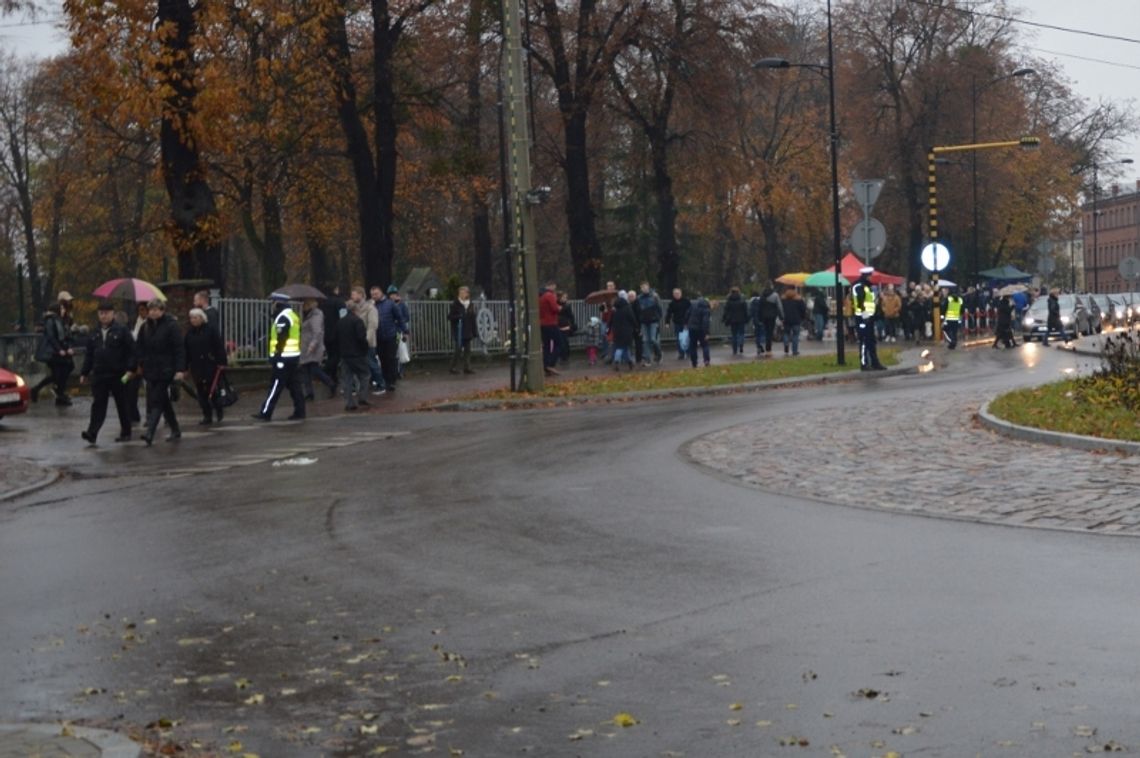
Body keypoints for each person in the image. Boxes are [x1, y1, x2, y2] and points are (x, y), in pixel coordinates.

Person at [79, 301, 136, 444]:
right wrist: (84, 372)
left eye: (106, 313)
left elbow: (132, 352)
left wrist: (131, 369)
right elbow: (89, 355)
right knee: (98, 404)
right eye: (101, 313)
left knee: (122, 404)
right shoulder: (94, 333)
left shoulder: (122, 331)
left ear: (112, 314)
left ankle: (126, 431)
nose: (104, 316)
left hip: (118, 374)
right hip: (99, 374)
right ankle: (92, 433)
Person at [136, 299, 186, 445]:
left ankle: (149, 433)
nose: (153, 312)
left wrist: (179, 369)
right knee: (163, 401)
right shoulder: (145, 327)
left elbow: (179, 349)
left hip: (166, 369)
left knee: (156, 400)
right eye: (151, 310)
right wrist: (140, 362)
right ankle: (175, 428)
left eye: (156, 310)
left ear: (162, 311)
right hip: (150, 369)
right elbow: (139, 347)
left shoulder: (171, 326)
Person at [252, 293, 305, 421]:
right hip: (293, 356)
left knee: (275, 385)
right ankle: (300, 411)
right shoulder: (293, 315)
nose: (272, 305)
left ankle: (266, 412)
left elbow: (282, 337)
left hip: (283, 357)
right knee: (294, 386)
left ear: (278, 303)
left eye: (273, 302)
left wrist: (277, 354)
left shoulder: (282, 317)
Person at [184, 307, 228, 425]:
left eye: (196, 318)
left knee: (212, 390)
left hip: (210, 364)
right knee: (200, 392)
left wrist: (222, 362)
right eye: (191, 318)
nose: (193, 320)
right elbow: (186, 350)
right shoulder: (189, 333)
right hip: (196, 366)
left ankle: (218, 409)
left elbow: (218, 347)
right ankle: (206, 415)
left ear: (202, 318)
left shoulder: (211, 330)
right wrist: (184, 367)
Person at [31, 303, 75, 405]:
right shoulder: (51, 320)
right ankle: (59, 395)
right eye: (62, 308)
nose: (63, 310)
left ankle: (57, 393)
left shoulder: (60, 320)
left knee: (61, 372)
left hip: (59, 351)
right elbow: (52, 337)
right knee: (59, 374)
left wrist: (67, 347)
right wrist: (60, 349)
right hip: (53, 353)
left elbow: (65, 336)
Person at [337, 299, 373, 411]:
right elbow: (361, 338)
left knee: (347, 378)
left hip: (344, 355)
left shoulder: (340, 322)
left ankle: (349, 402)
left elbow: (336, 338)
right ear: (356, 309)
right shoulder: (357, 321)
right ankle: (362, 397)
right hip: (357, 354)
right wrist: (365, 349)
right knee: (365, 374)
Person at [300, 298, 337, 399]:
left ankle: (330, 383)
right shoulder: (307, 316)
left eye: (305, 303)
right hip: (306, 345)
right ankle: (309, 393)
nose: (303, 305)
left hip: (313, 346)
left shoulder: (316, 316)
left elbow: (317, 332)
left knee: (314, 368)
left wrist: (312, 345)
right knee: (305, 369)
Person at [852, 266, 885, 370]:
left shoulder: (867, 286)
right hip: (862, 318)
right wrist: (865, 315)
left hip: (869, 317)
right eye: (871, 276)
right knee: (864, 341)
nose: (872, 278)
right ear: (867, 276)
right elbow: (860, 303)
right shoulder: (860, 286)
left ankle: (875, 362)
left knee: (871, 341)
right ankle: (864, 363)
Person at [448, 285, 477, 374]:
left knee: (468, 350)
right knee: (458, 349)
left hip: (467, 330)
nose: (464, 294)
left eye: (465, 292)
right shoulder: (455, 304)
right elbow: (450, 317)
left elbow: (472, 318)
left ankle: (467, 367)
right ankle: (452, 367)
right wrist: (458, 317)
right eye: (462, 292)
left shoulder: (470, 304)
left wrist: (474, 331)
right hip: (459, 331)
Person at [320, 285, 345, 386]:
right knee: (336, 356)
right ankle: (324, 372)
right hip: (337, 333)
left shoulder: (323, 303)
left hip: (326, 333)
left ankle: (333, 377)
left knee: (330, 354)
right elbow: (343, 316)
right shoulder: (339, 302)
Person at [608, 293, 638, 370]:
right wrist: (636, 327)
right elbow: (632, 319)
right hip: (627, 331)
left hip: (617, 331)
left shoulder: (615, 310)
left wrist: (609, 329)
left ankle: (628, 362)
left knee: (620, 347)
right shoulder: (628, 308)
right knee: (624, 348)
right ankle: (618, 360)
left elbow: (610, 321)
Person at [636, 281, 663, 365]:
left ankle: (659, 354)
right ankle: (648, 360)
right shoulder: (639, 298)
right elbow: (638, 310)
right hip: (643, 321)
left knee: (653, 339)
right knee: (645, 340)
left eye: (645, 287)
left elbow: (659, 308)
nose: (644, 289)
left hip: (653, 321)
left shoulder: (654, 296)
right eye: (642, 287)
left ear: (648, 287)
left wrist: (658, 318)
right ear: (641, 288)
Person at [753, 284, 782, 356]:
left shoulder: (762, 295)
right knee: (770, 332)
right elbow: (779, 306)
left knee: (766, 331)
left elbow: (760, 307)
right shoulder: (775, 295)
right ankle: (768, 349)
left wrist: (759, 317)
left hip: (764, 316)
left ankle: (767, 347)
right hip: (772, 316)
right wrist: (781, 316)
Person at [539, 280, 560, 376]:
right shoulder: (549, 295)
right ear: (551, 286)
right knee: (558, 343)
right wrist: (559, 308)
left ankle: (546, 365)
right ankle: (551, 364)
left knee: (546, 345)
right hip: (551, 323)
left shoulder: (540, 296)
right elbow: (555, 308)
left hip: (542, 324)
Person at [721, 286, 749, 356]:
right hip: (741, 319)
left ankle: (734, 350)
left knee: (734, 335)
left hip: (733, 320)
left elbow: (726, 310)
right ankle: (741, 345)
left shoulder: (729, 300)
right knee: (741, 333)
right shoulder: (742, 300)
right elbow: (745, 310)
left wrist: (724, 318)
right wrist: (747, 318)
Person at [686, 292, 712, 368]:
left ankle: (694, 362)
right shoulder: (706, 309)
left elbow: (687, 314)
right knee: (705, 345)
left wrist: (687, 324)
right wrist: (707, 332)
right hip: (701, 329)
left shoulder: (693, 305)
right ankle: (706, 361)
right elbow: (705, 321)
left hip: (692, 328)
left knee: (693, 346)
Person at [664, 288, 691, 360]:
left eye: (678, 293)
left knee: (687, 338)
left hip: (686, 323)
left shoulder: (686, 301)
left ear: (681, 293)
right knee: (679, 339)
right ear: (673, 295)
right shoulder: (672, 303)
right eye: (675, 294)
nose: (677, 295)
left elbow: (691, 311)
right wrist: (667, 322)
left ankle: (688, 352)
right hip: (677, 323)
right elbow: (669, 313)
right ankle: (681, 353)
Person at [781, 289, 807, 356]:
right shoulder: (799, 300)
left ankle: (786, 344)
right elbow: (803, 309)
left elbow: (780, 309)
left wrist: (782, 318)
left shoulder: (783, 300)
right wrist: (802, 317)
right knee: (795, 335)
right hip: (796, 320)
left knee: (786, 333)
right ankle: (794, 351)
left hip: (786, 320)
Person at [557, 291, 576, 364]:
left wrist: (571, 325)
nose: (565, 299)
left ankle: (565, 356)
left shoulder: (567, 306)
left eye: (566, 297)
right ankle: (562, 356)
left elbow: (571, 316)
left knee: (565, 341)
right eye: (564, 297)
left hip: (565, 325)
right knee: (561, 342)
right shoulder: (557, 305)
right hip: (559, 325)